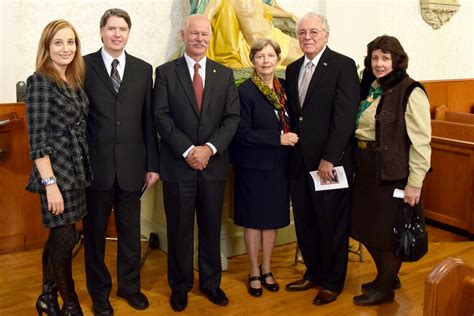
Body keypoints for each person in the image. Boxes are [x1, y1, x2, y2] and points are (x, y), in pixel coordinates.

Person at [153, 14, 240, 312]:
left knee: (211, 228)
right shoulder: (164, 73)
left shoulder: (224, 74)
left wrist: (209, 149)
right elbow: (161, 117)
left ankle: (211, 283)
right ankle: (179, 286)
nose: (200, 39)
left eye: (205, 34)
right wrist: (189, 150)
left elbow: (232, 119)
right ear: (183, 35)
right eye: (194, 34)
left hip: (213, 166)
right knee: (178, 230)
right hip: (179, 166)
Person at [82, 8, 159, 315]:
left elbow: (148, 122)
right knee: (95, 236)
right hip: (95, 168)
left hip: (132, 167)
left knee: (130, 234)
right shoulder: (83, 65)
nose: (116, 34)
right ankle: (99, 293)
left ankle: (129, 287)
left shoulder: (143, 69)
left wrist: (152, 164)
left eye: (122, 29)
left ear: (129, 33)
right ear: (101, 31)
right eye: (111, 28)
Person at [284, 13, 360, 305]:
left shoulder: (342, 65)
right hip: (299, 163)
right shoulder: (291, 69)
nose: (307, 37)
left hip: (329, 165)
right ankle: (313, 273)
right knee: (306, 222)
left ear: (326, 35)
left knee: (332, 225)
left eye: (314, 31)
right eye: (302, 32)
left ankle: (332, 281)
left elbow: (344, 118)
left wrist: (330, 158)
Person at [351, 35, 431, 306]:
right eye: (375, 58)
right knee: (365, 228)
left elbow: (421, 142)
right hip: (366, 170)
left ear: (397, 60)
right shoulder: (372, 88)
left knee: (387, 234)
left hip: (392, 174)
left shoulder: (411, 91)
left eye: (385, 58)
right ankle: (384, 275)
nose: (379, 63)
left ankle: (385, 288)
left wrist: (415, 183)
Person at [26, 19, 91, 316]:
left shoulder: (73, 79)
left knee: (60, 237)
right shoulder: (40, 80)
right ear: (47, 47)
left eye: (71, 42)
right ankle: (72, 306)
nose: (66, 48)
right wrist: (51, 185)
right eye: (59, 42)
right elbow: (36, 140)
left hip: (76, 169)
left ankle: (47, 297)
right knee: (64, 241)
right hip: (56, 172)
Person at [229, 38, 298, 297]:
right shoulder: (244, 91)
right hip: (253, 167)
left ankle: (267, 268)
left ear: (277, 58)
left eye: (270, 55)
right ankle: (254, 271)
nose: (266, 61)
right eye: (260, 57)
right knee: (254, 221)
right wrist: (276, 139)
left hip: (280, 166)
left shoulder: (285, 88)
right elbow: (241, 133)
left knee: (272, 221)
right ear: (253, 61)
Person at [189, 0, 302, 68]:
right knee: (307, 59)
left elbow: (262, 7)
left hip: (274, 35)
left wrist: (288, 14)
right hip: (261, 46)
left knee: (311, 49)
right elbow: (205, 18)